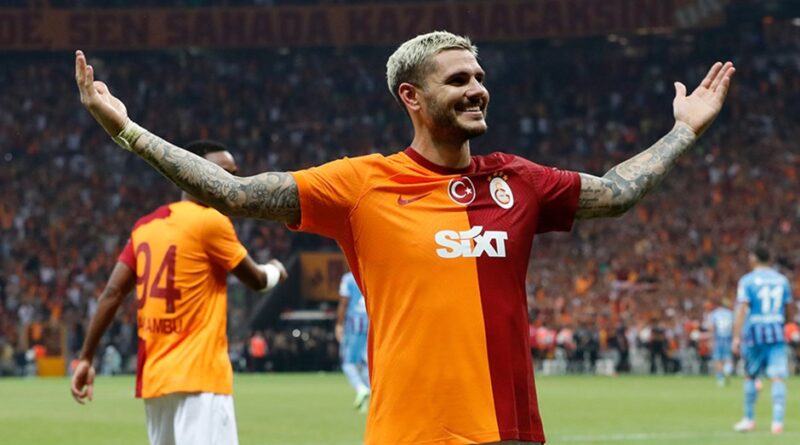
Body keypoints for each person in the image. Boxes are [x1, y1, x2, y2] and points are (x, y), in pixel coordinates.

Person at [75, 31, 734, 445]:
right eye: (459, 80)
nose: (477, 89)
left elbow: (616, 192)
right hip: (408, 434)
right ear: (411, 97)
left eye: (480, 78)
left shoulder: (518, 180)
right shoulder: (362, 185)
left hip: (511, 431)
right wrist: (127, 131)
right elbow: (234, 193)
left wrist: (685, 130)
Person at [69, 140, 288, 445]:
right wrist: (276, 269)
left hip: (157, 383)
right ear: (191, 172)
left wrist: (86, 358)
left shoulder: (146, 226)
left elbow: (112, 294)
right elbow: (257, 280)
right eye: (224, 172)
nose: (233, 182)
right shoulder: (211, 221)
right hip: (201, 380)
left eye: (236, 174)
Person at [732, 245, 793, 435]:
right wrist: (786, 325)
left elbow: (742, 309)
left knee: (750, 375)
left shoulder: (747, 280)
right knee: (778, 377)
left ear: (753, 258)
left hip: (755, 333)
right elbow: (788, 308)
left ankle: (749, 419)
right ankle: (777, 423)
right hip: (776, 332)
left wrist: (736, 336)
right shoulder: (782, 280)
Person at [336, 270, 371, 412]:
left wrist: (339, 324)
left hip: (354, 326)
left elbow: (344, 303)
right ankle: (369, 401)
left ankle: (361, 388)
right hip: (370, 325)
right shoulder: (371, 275)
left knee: (348, 362)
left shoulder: (348, 278)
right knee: (365, 363)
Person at [705, 298, 734, 386]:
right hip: (728, 339)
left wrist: (711, 340)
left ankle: (720, 379)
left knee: (717, 359)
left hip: (718, 339)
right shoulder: (731, 314)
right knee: (728, 358)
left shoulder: (714, 314)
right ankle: (727, 369)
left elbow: (712, 327)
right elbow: (734, 327)